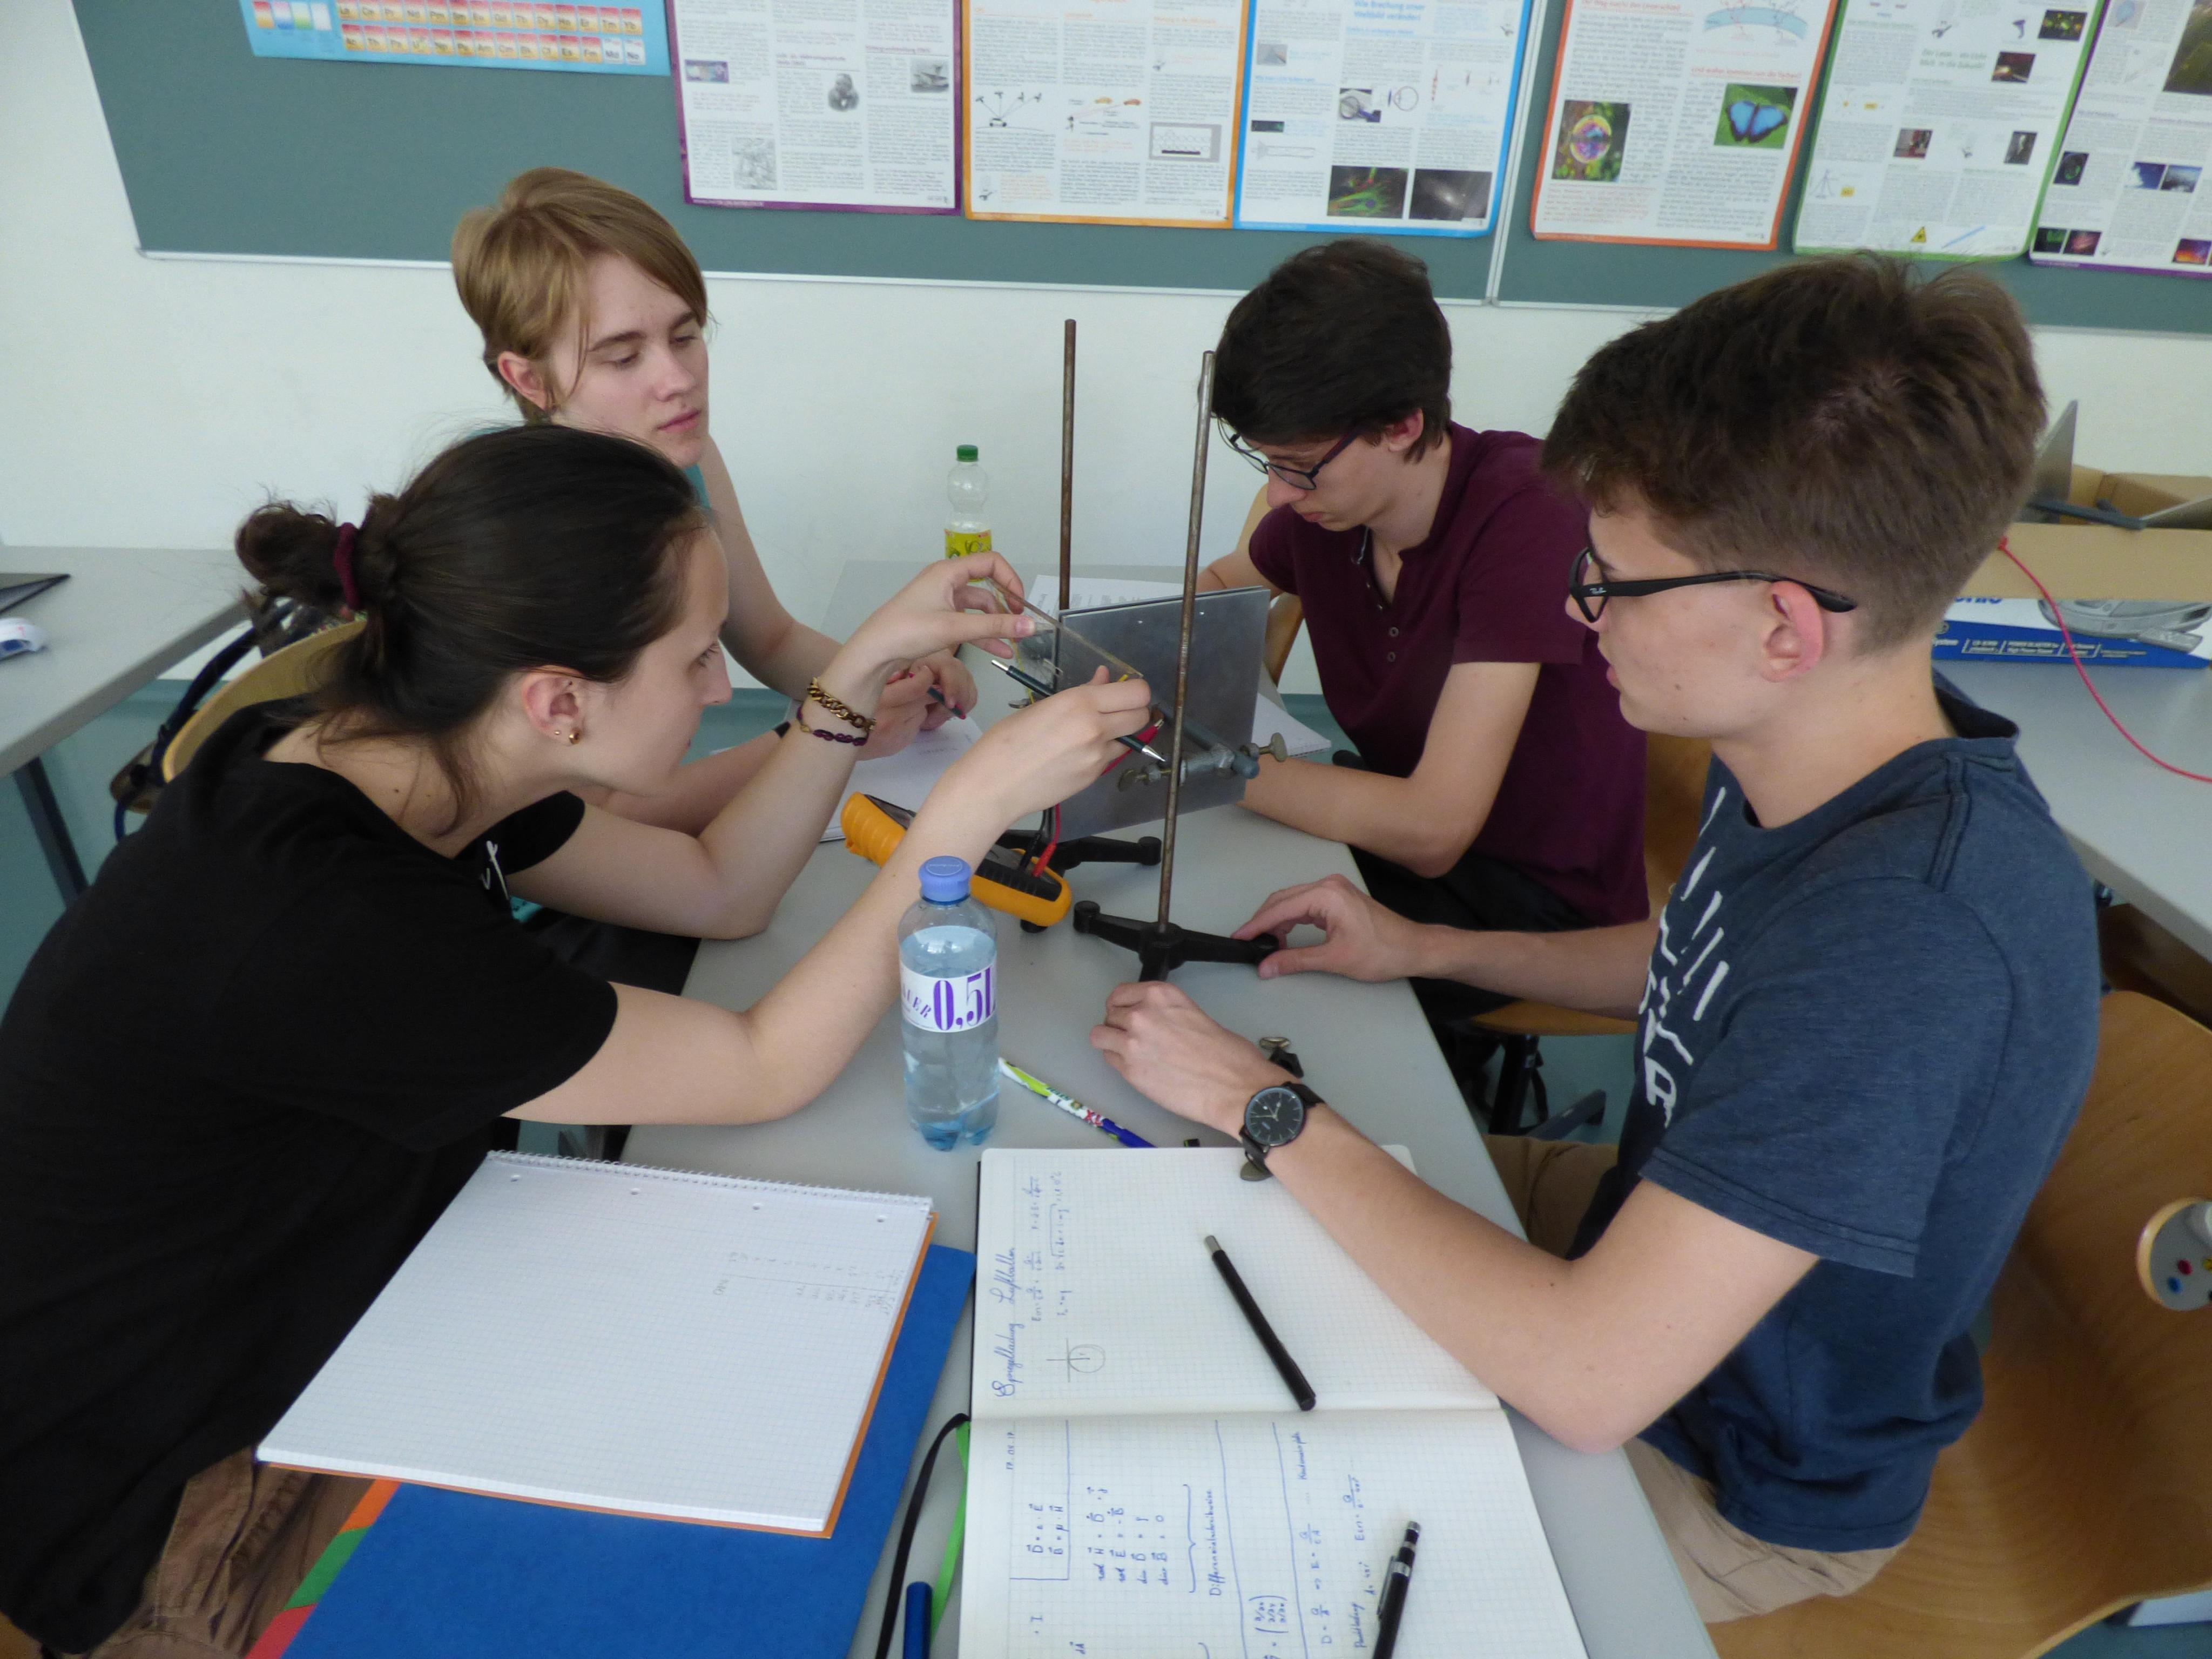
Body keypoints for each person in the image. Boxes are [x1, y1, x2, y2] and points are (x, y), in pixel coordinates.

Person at [0, 425, 1148, 1658]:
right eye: (695, 657)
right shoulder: (330, 921)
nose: (718, 686)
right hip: (173, 1495)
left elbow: (717, 888)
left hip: (335, 1316)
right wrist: (963, 815)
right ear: (557, 700)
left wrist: (862, 663)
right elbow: (764, 1062)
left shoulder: (409, 750)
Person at [1091, 256, 2101, 1623]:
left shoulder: (1908, 942)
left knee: (1224, 1556)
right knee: (1179, 1233)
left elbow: (1585, 1376)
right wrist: (1424, 948)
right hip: (1633, 1253)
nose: (1578, 610)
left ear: (1782, 626)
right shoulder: (1815, 759)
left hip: (1721, 1460)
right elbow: (1695, 961)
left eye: (1613, 580)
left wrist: (1263, 1101)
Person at [1195, 239, 1647, 1047]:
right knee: (1211, 889)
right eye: (1266, 463)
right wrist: (1114, 652)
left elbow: (1434, 831)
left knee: (1239, 971)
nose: (1278, 494)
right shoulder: (1330, 514)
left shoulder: (1526, 516)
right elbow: (1225, 586)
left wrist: (1193, 758)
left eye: (1299, 467)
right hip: (1391, 820)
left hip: (1524, 894)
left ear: (1402, 425)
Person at [451, 166, 974, 837]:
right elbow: (587, 829)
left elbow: (771, 639)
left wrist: (888, 678)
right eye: (622, 358)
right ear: (530, 380)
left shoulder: (683, 455)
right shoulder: (517, 537)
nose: (678, 380)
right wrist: (830, 730)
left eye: (685, 336)